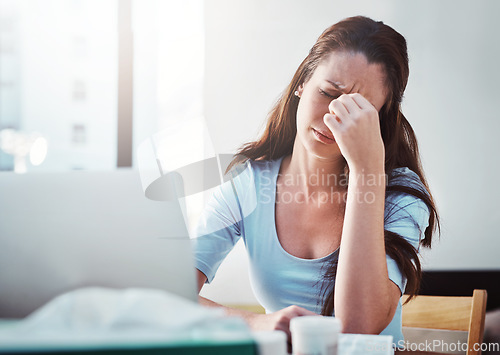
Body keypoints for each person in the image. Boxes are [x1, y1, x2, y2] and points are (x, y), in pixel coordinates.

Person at [193, 15, 439, 345]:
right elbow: (169, 296)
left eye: (357, 109)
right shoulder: (249, 182)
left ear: (378, 120)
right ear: (302, 82)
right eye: (326, 93)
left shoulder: (400, 194)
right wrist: (255, 323)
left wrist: (367, 173)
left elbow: (359, 325)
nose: (333, 117)